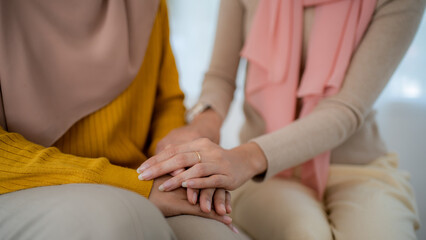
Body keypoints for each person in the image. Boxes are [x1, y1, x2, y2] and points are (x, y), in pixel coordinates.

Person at [137, 0, 425, 239]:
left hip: (357, 170)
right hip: (269, 178)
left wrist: (244, 159)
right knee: (306, 234)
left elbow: (345, 110)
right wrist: (202, 127)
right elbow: (221, 78)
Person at [0, 0, 242, 239]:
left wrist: (177, 168)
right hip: (24, 182)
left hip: (140, 179)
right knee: (120, 220)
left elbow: (166, 100)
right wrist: (136, 186)